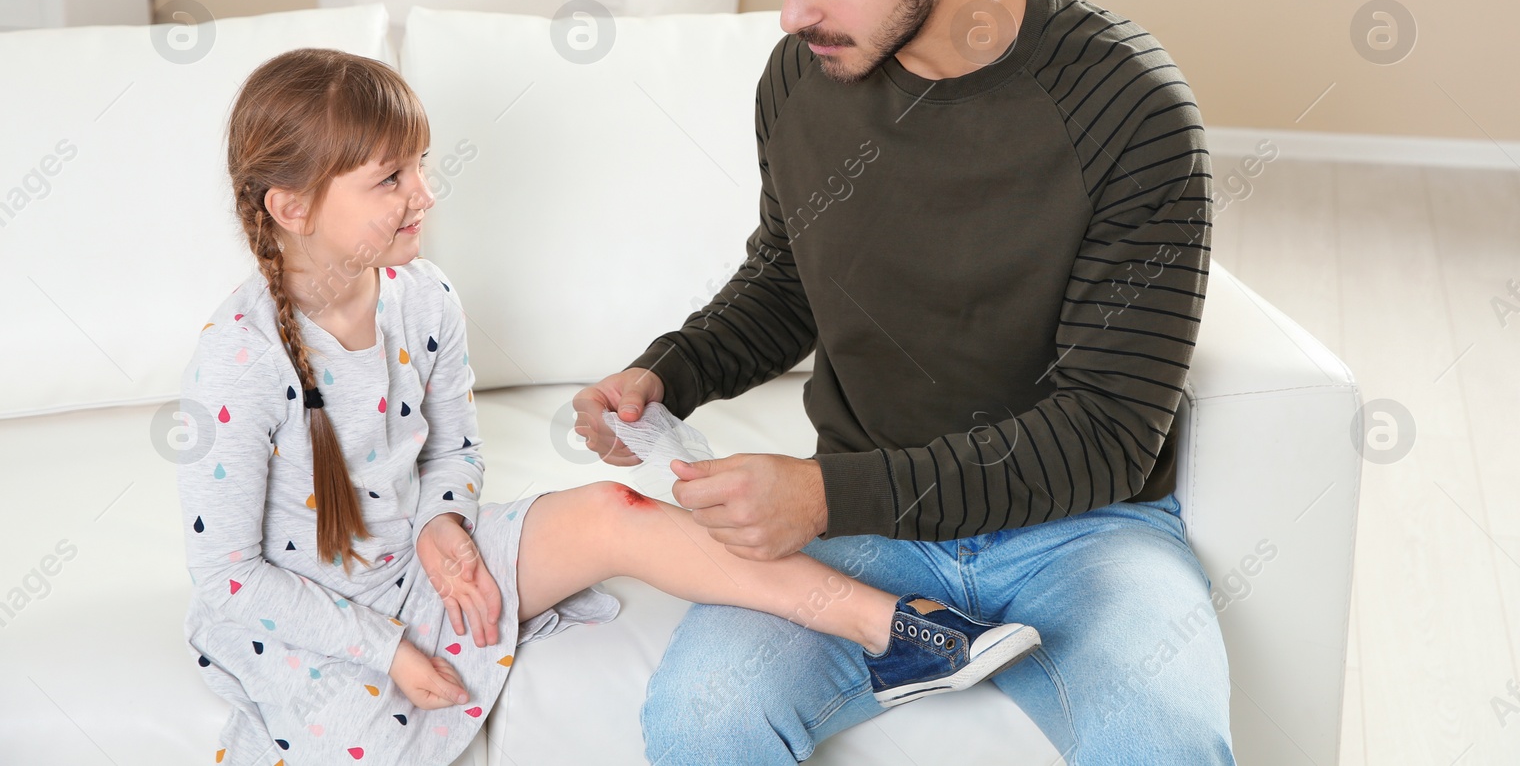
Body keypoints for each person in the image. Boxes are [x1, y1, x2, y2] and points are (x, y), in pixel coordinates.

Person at [570, 0, 1234, 765]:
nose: (793, 15)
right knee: (702, 717)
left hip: (1083, 532)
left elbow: (1103, 432)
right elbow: (791, 276)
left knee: (1162, 738)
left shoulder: (1128, 109)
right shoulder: (801, 79)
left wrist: (827, 492)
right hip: (865, 535)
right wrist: (669, 373)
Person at [176, 48, 1040, 766]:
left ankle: (901, 630)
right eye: (391, 178)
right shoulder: (240, 357)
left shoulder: (425, 296)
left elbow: (453, 452)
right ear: (291, 208)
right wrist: (384, 649)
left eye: (422, 164)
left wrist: (444, 523)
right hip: (317, 615)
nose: (426, 193)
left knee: (614, 510)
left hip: (422, 564)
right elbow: (228, 577)